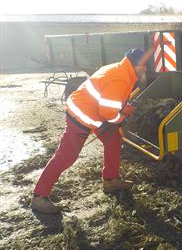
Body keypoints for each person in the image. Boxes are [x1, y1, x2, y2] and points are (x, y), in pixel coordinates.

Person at [31, 48, 148, 214]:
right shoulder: (121, 78)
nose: (146, 70)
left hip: (96, 113)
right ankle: (39, 197)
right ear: (137, 65)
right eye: (144, 66)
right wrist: (121, 119)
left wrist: (122, 107)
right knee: (66, 156)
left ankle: (110, 180)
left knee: (113, 140)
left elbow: (108, 99)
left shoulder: (120, 69)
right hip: (81, 115)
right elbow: (108, 112)